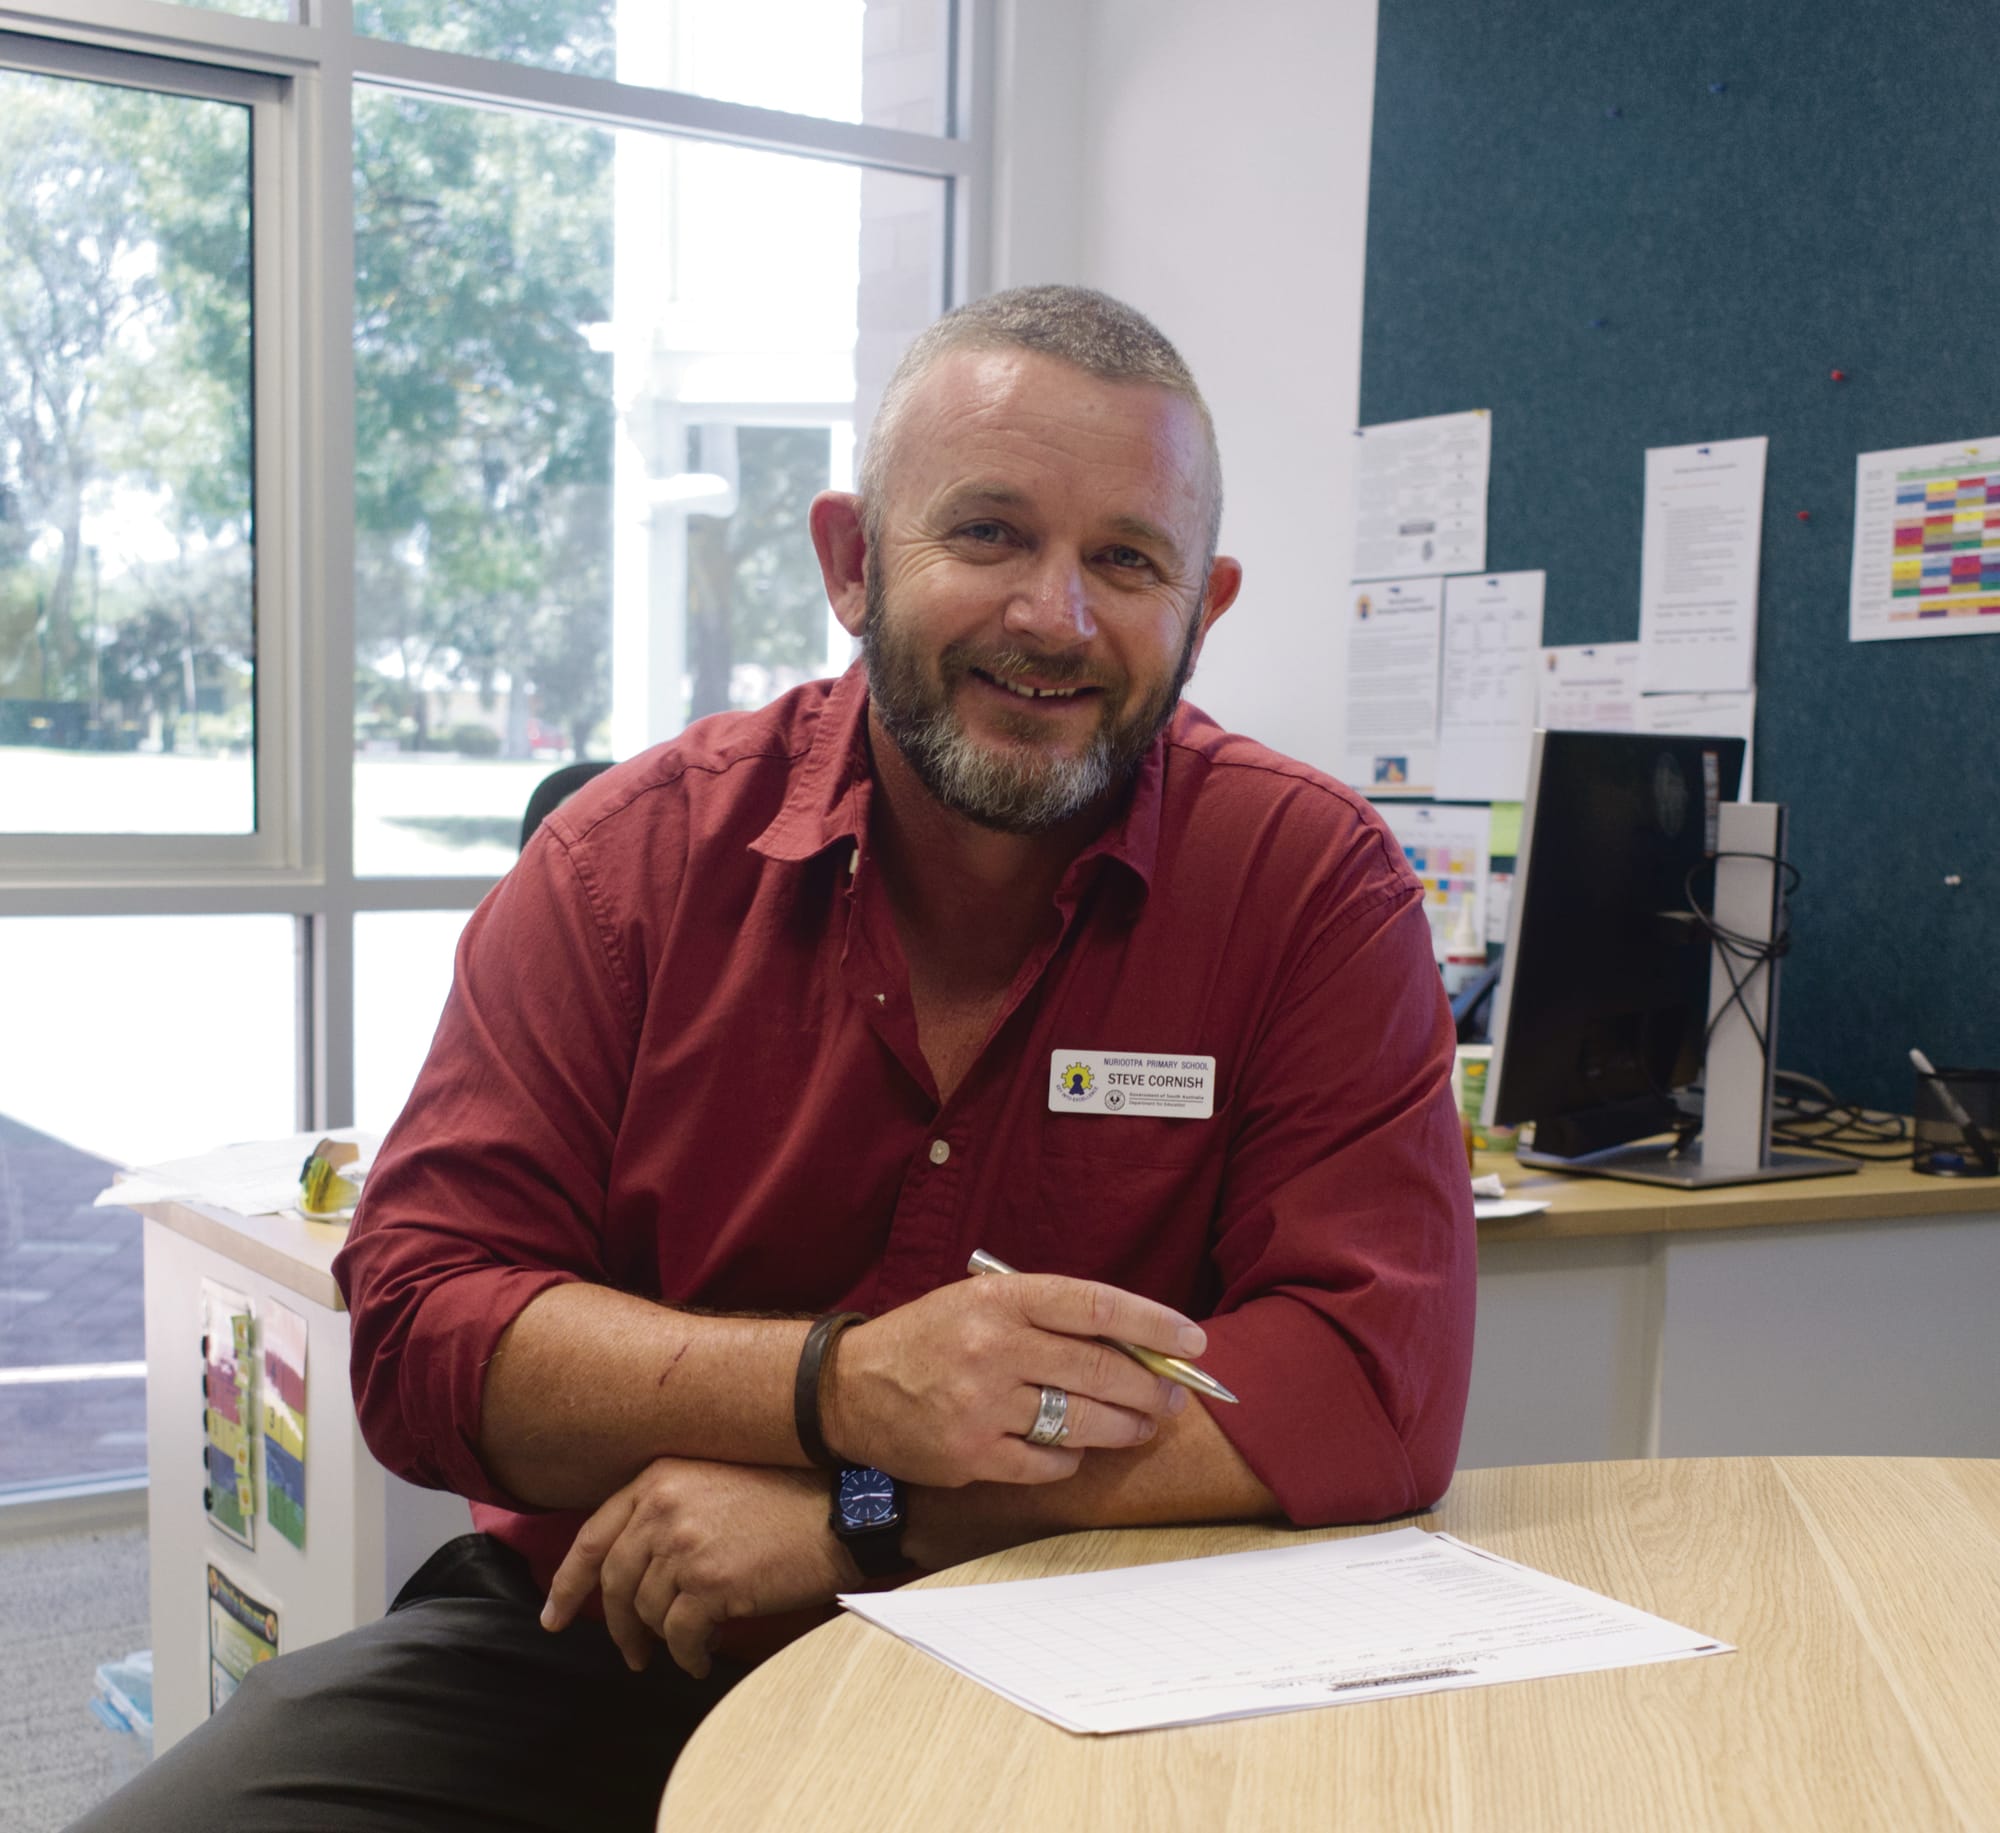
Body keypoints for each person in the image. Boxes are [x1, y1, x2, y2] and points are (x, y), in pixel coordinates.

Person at [73, 285, 1474, 1832]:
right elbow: (420, 1327)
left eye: (1125, 561)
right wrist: (840, 1383)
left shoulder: (1306, 884)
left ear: (1201, 610)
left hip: (1087, 1648)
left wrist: (862, 1513)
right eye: (991, 533)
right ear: (852, 561)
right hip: (621, 1636)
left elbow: (1371, 1384)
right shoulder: (628, 867)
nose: (1055, 617)